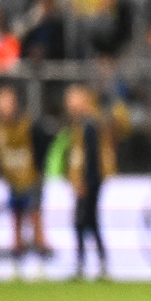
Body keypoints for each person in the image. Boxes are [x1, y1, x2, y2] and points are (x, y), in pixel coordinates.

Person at [0, 85, 48, 270]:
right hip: (11, 178)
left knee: (35, 214)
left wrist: (39, 170)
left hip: (31, 176)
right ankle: (17, 257)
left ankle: (41, 257)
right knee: (15, 216)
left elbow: (41, 148)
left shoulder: (28, 124)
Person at [60, 85, 115, 280]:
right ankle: (97, 263)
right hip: (87, 179)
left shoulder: (89, 124)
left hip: (90, 180)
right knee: (88, 221)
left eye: (72, 99)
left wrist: (83, 181)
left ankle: (88, 264)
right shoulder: (80, 123)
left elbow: (89, 156)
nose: (69, 103)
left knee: (84, 220)